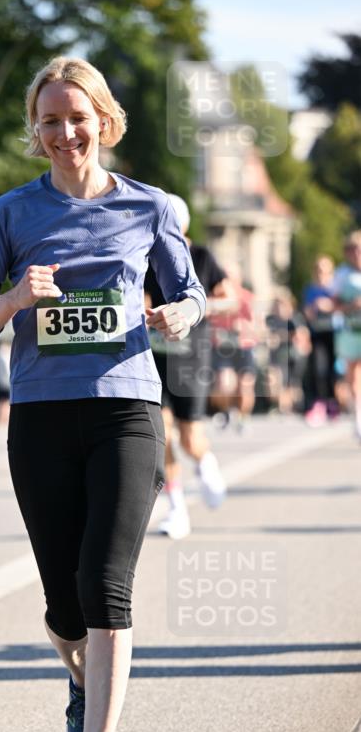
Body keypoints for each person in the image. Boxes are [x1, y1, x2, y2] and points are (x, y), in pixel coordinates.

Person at [0, 57, 205, 732]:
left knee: (105, 587)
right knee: (64, 605)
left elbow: (188, 290)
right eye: (50, 121)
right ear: (36, 130)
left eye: (77, 118)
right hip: (41, 417)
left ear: (104, 121)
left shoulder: (151, 209)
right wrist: (11, 301)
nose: (64, 133)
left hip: (126, 411)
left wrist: (179, 317)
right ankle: (82, 680)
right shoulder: (10, 216)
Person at [144, 194, 233, 540]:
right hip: (156, 354)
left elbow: (230, 299)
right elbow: (143, 299)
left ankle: (206, 463)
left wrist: (196, 307)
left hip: (191, 354)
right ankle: (177, 508)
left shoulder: (200, 257)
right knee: (161, 433)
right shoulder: (148, 257)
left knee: (189, 434)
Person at [208, 260, 258, 433]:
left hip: (243, 347)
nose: (227, 280)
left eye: (230, 276)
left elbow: (257, 325)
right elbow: (208, 320)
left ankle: (243, 417)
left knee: (245, 386)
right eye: (225, 276)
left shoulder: (246, 297)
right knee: (224, 384)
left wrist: (242, 326)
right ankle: (228, 412)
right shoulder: (215, 298)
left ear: (238, 278)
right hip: (222, 347)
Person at [302, 256, 341, 425]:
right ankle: (319, 402)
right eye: (318, 271)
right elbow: (306, 311)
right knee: (318, 368)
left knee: (333, 369)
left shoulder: (335, 289)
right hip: (317, 334)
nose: (321, 274)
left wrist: (328, 305)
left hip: (334, 333)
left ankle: (333, 401)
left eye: (325, 271)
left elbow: (341, 307)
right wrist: (312, 309)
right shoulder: (310, 289)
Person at [332, 230, 361, 441]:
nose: (356, 254)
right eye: (351, 250)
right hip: (351, 331)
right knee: (353, 375)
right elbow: (334, 304)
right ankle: (358, 417)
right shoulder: (342, 275)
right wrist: (351, 306)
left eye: (358, 249)